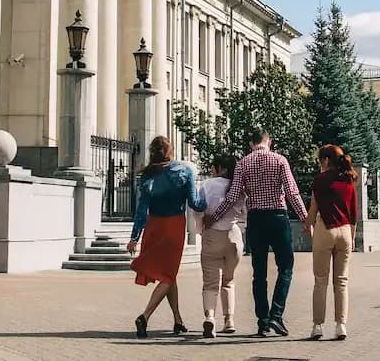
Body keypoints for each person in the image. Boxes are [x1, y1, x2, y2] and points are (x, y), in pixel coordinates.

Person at [205, 128, 307, 338]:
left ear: (252, 144)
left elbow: (232, 196)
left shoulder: (243, 163)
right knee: (285, 267)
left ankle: (262, 321)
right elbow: (291, 192)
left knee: (259, 272)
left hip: (256, 220)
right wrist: (306, 219)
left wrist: (214, 216)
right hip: (278, 218)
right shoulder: (280, 160)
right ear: (268, 141)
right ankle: (276, 315)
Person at [127, 136, 205, 339]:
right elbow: (195, 203)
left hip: (154, 227)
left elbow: (141, 210)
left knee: (169, 275)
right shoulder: (185, 171)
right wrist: (211, 203)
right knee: (168, 275)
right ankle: (144, 316)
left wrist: (134, 237)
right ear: (171, 151)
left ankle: (178, 320)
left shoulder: (147, 175)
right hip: (173, 227)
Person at [305, 144, 357, 342]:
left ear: (326, 160)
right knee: (341, 281)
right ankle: (340, 325)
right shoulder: (348, 180)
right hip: (345, 231)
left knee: (320, 281)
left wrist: (308, 225)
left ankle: (317, 326)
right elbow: (354, 213)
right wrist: (351, 237)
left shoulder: (320, 180)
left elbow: (313, 208)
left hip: (324, 230)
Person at [197, 156, 244, 338]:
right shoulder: (238, 187)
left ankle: (210, 317)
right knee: (228, 280)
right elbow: (245, 212)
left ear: (219, 168)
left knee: (210, 283)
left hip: (212, 236)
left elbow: (197, 209)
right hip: (233, 235)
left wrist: (201, 226)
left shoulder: (207, 185)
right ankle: (229, 320)